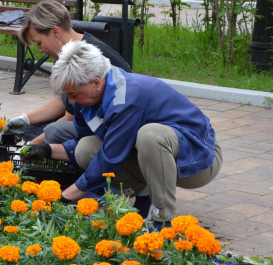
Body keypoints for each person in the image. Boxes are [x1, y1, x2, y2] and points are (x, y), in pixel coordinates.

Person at [20, 40, 222, 228]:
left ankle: (162, 222)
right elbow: (89, 145)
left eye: (73, 95)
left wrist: (66, 196)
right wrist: (48, 150)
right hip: (156, 159)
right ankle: (137, 199)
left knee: (150, 136)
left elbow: (111, 156)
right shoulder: (88, 100)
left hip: (198, 162)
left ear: (96, 83)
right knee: (85, 149)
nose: (70, 102)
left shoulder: (126, 98)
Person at [3, 0, 130, 144]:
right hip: (91, 118)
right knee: (33, 129)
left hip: (114, 127)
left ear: (55, 32)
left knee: (52, 132)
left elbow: (70, 116)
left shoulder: (82, 57)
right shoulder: (68, 51)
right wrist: (25, 119)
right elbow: (64, 101)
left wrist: (30, 147)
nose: (39, 50)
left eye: (39, 43)